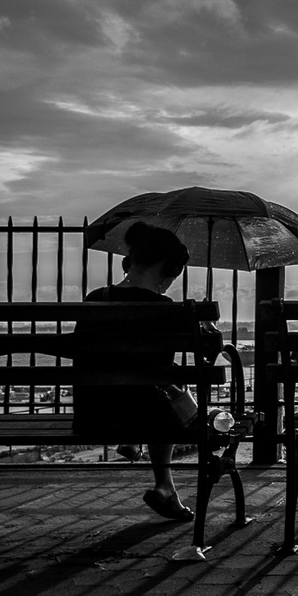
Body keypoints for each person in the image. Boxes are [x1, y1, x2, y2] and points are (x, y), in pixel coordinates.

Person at [73, 221, 198, 521]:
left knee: (145, 388)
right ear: (167, 269)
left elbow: (83, 359)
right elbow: (162, 372)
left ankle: (161, 482)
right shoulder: (164, 308)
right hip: (143, 415)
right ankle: (164, 486)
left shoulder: (96, 299)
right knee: (166, 394)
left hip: (93, 413)